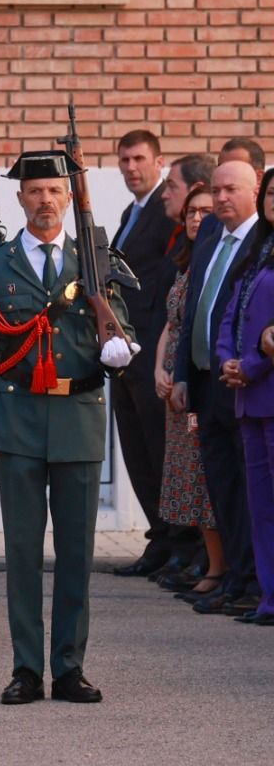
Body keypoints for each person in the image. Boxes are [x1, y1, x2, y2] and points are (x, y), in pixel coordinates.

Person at [0, 150, 137, 705]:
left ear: (68, 196)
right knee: (22, 553)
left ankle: (70, 668)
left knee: (78, 555)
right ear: (20, 200)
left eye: (54, 190)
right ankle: (26, 670)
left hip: (79, 418)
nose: (44, 200)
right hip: (18, 421)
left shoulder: (95, 259)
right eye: (34, 191)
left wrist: (119, 348)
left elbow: (123, 329)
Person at [173, 160, 262, 615]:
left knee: (250, 488)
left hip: (242, 381)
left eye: (232, 190)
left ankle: (252, 583)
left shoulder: (261, 241)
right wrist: (184, 373)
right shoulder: (209, 238)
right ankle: (233, 578)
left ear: (254, 192)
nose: (222, 198)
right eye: (218, 190)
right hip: (206, 383)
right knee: (222, 486)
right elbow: (194, 314)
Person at [110, 130, 185, 577]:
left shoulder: (166, 212)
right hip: (125, 355)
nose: (131, 168)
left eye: (139, 159)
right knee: (137, 452)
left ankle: (179, 543)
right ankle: (160, 539)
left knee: (159, 451)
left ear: (159, 161)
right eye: (124, 160)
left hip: (150, 352)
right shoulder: (130, 212)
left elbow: (163, 289)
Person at [155, 185, 225, 598]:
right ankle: (210, 562)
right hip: (174, 389)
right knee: (190, 482)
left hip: (201, 385)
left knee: (205, 482)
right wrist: (158, 370)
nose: (196, 219)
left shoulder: (218, 260)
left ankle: (218, 568)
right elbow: (171, 324)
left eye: (204, 211)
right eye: (190, 213)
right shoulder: (186, 264)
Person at [215, 165, 274, 624]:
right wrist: (226, 361)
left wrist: (250, 365)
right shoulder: (257, 253)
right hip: (248, 399)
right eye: (271, 193)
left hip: (268, 390)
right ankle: (268, 597)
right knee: (261, 506)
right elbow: (231, 313)